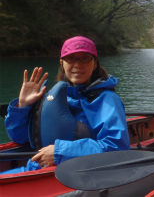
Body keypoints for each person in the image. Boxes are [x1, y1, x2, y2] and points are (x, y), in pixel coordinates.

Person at [2, 36, 130, 173]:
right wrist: (23, 106)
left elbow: (117, 147)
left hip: (72, 174)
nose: (78, 64)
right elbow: (19, 138)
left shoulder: (107, 100)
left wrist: (59, 152)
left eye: (85, 58)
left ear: (95, 64)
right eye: (71, 58)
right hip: (36, 167)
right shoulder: (53, 96)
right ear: (62, 63)